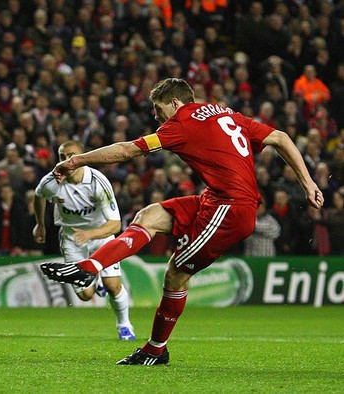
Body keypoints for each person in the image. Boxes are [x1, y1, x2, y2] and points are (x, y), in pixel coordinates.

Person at [41, 78, 323, 365]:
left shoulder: (181, 123)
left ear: (175, 103)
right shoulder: (226, 113)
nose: (155, 115)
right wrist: (308, 182)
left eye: (157, 108)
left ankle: (155, 349)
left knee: (176, 273)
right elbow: (281, 138)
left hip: (230, 208)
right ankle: (89, 268)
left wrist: (77, 161)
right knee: (147, 216)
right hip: (213, 199)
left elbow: (128, 150)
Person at [33, 140, 135, 341]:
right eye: (62, 157)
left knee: (113, 285)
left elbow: (115, 225)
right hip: (72, 239)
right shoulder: (52, 181)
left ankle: (124, 324)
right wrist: (40, 224)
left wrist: (90, 234)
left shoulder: (97, 182)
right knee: (85, 295)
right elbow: (38, 196)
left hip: (102, 236)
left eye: (71, 156)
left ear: (82, 158)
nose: (66, 161)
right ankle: (94, 279)